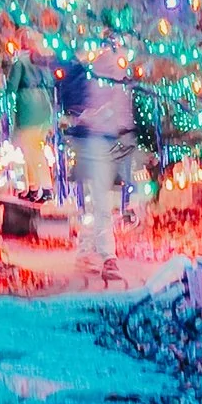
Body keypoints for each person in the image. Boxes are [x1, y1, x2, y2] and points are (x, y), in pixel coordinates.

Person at [71, 49, 135, 277]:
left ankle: (86, 250)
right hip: (96, 138)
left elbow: (120, 106)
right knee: (100, 200)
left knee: (100, 200)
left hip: (109, 138)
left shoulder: (113, 64)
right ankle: (108, 256)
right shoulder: (98, 63)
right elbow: (94, 104)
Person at [1, 47, 58, 202]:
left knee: (27, 148)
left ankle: (37, 186)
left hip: (28, 108)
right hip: (44, 106)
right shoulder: (41, 63)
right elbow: (51, 82)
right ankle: (39, 187)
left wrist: (6, 105)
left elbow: (11, 87)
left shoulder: (20, 63)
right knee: (35, 148)